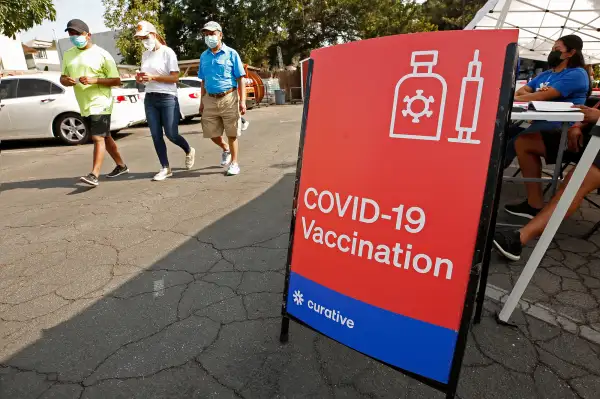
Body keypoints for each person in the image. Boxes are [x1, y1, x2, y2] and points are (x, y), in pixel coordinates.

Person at [494, 104, 600, 261]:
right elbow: (589, 111)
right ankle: (534, 205)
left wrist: (597, 117)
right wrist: (578, 125)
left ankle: (518, 239)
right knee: (525, 141)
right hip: (588, 137)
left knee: (578, 179)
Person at [504, 35, 590, 171]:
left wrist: (534, 96)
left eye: (557, 49)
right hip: (538, 120)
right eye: (552, 49)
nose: (553, 52)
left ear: (571, 52)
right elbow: (522, 91)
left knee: (514, 143)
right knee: (503, 133)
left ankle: (490, 176)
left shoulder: (577, 74)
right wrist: (535, 95)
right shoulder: (547, 74)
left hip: (560, 124)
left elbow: (543, 96)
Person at [61, 19, 129, 187]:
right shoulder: (68, 54)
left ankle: (94, 175)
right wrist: (66, 81)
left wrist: (94, 80)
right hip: (84, 103)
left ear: (88, 35)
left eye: (77, 33)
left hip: (101, 101)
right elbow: (62, 77)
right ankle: (121, 166)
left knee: (97, 137)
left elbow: (116, 80)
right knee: (105, 137)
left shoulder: (102, 54)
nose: (74, 37)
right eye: (71, 34)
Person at [134, 21, 195, 181]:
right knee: (156, 135)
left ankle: (188, 149)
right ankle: (165, 168)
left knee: (171, 133)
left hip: (167, 98)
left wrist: (153, 77)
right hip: (150, 97)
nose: (143, 41)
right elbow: (146, 78)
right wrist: (141, 79)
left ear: (154, 35)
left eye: (145, 37)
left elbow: (175, 77)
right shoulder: (145, 55)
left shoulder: (168, 52)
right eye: (141, 39)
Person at [198, 21, 247, 176]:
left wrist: (243, 101)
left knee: (231, 133)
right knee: (211, 133)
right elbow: (203, 81)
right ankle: (225, 148)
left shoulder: (231, 53)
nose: (209, 37)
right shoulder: (203, 57)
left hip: (229, 97)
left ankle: (234, 163)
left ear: (220, 34)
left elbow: (241, 79)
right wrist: (201, 101)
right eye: (206, 35)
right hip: (210, 99)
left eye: (212, 34)